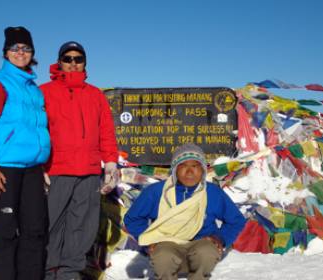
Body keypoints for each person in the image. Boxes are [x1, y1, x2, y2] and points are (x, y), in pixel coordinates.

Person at [0, 26, 50, 280]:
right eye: (15, 48)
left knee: (35, 229)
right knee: (5, 232)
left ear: (32, 53)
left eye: (25, 48)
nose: (20, 52)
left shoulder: (32, 88)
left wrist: (44, 165)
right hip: (4, 168)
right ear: (6, 53)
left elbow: (38, 128)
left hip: (32, 170)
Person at [40, 41, 119, 280]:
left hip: (88, 171)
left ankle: (69, 274)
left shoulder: (95, 94)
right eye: (68, 58)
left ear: (84, 62)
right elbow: (36, 130)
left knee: (82, 227)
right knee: (51, 225)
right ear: (59, 61)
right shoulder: (44, 92)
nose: (73, 63)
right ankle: (47, 272)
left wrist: (111, 163)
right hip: (56, 171)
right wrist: (39, 165)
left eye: (78, 58)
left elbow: (106, 131)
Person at [124, 144, 246, 280]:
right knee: (163, 256)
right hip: (167, 245)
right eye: (183, 166)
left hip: (201, 244)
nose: (189, 172)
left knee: (206, 252)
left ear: (203, 170)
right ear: (175, 169)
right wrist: (150, 240)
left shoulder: (212, 192)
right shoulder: (157, 192)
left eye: (195, 166)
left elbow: (236, 220)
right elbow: (132, 218)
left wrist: (220, 238)